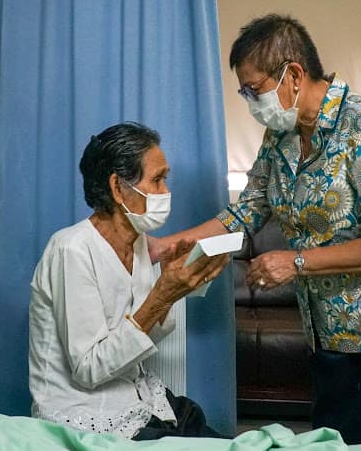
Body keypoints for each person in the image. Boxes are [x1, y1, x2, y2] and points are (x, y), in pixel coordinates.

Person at [155, 14, 361, 446]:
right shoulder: (281, 135)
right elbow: (247, 211)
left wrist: (297, 262)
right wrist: (163, 245)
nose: (251, 102)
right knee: (337, 442)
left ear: (294, 75)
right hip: (333, 331)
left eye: (254, 89)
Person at [28, 122, 229, 440]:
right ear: (118, 187)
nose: (166, 192)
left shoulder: (137, 243)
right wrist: (162, 295)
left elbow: (146, 334)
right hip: (87, 414)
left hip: (142, 399)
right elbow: (89, 369)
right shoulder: (71, 250)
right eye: (157, 180)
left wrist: (174, 290)